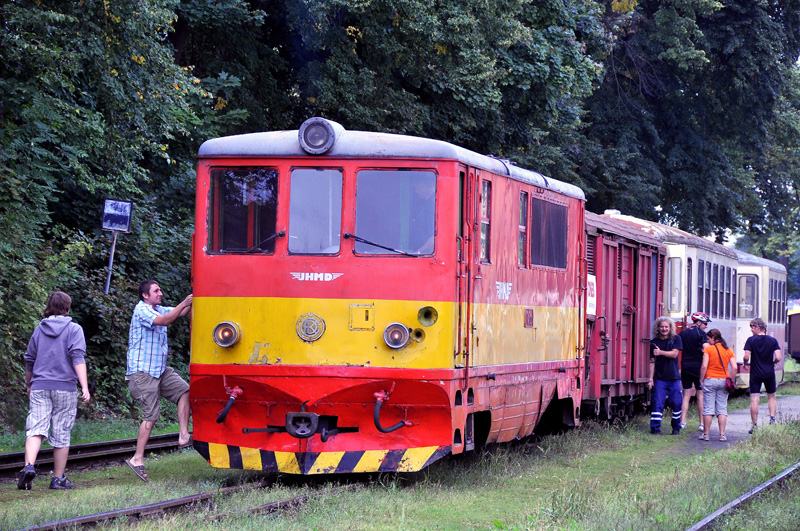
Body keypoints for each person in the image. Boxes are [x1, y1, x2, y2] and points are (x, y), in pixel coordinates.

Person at [18, 291, 90, 490]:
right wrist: (84, 386)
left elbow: (30, 360)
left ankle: (28, 467)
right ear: (68, 307)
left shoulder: (39, 329)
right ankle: (58, 478)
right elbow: (78, 358)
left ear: (48, 306)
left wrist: (29, 384)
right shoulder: (74, 329)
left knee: (36, 427)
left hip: (40, 385)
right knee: (61, 431)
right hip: (65, 387)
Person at [125, 280, 193, 482]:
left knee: (184, 391)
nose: (160, 293)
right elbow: (164, 320)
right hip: (142, 373)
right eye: (156, 291)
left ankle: (183, 435)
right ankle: (137, 459)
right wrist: (185, 302)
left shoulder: (158, 308)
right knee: (151, 415)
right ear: (145, 295)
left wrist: (195, 298)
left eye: (160, 290)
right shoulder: (142, 311)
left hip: (159, 371)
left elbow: (179, 313)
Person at [743, 317, 782, 434]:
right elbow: (779, 357)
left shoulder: (751, 340)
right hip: (769, 373)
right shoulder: (772, 340)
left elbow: (746, 356)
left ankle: (754, 425)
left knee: (754, 400)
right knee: (771, 397)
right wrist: (773, 363)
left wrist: (745, 363)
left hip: (755, 373)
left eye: (752, 328)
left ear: (757, 328)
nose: (751, 331)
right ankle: (772, 419)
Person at [698, 328, 737, 442]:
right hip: (723, 381)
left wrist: (701, 379)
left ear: (713, 338)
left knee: (708, 409)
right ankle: (722, 435)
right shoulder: (728, 350)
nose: (708, 341)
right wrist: (732, 380)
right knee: (722, 409)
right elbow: (734, 367)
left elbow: (704, 366)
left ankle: (706, 434)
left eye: (709, 339)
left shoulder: (708, 350)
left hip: (710, 380)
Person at [648, 316, 684, 435]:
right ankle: (655, 429)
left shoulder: (676, 339)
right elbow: (652, 362)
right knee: (658, 403)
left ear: (670, 328)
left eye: (666, 327)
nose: (664, 329)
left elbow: (674, 354)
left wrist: (660, 352)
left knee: (676, 403)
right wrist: (650, 379)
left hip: (674, 377)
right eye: (661, 326)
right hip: (659, 378)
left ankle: (676, 427)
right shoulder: (654, 342)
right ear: (658, 328)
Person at [678, 312, 711, 431]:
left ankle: (682, 422)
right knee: (700, 395)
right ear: (698, 322)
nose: (706, 326)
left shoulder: (683, 333)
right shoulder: (701, 334)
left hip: (685, 365)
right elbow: (707, 349)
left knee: (686, 395)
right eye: (705, 323)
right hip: (698, 366)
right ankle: (701, 423)